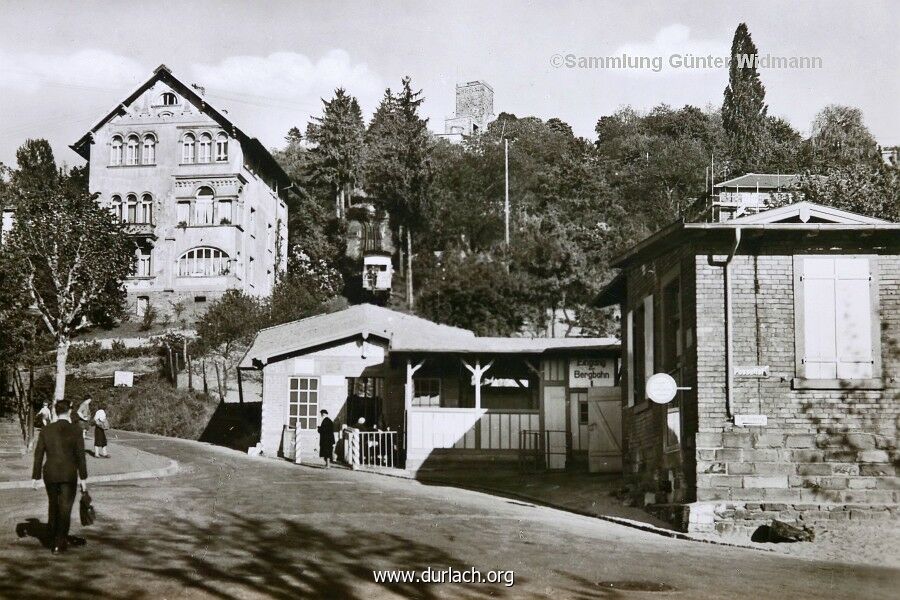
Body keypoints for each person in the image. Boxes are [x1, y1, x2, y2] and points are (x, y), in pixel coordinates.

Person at [31, 399, 88, 554]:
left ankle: (52, 536)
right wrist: (83, 479)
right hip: (69, 474)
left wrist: (35, 477)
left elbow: (38, 455)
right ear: (69, 411)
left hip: (50, 473)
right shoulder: (76, 430)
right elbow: (80, 457)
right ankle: (59, 542)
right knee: (65, 508)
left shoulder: (46, 430)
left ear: (55, 411)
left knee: (53, 504)